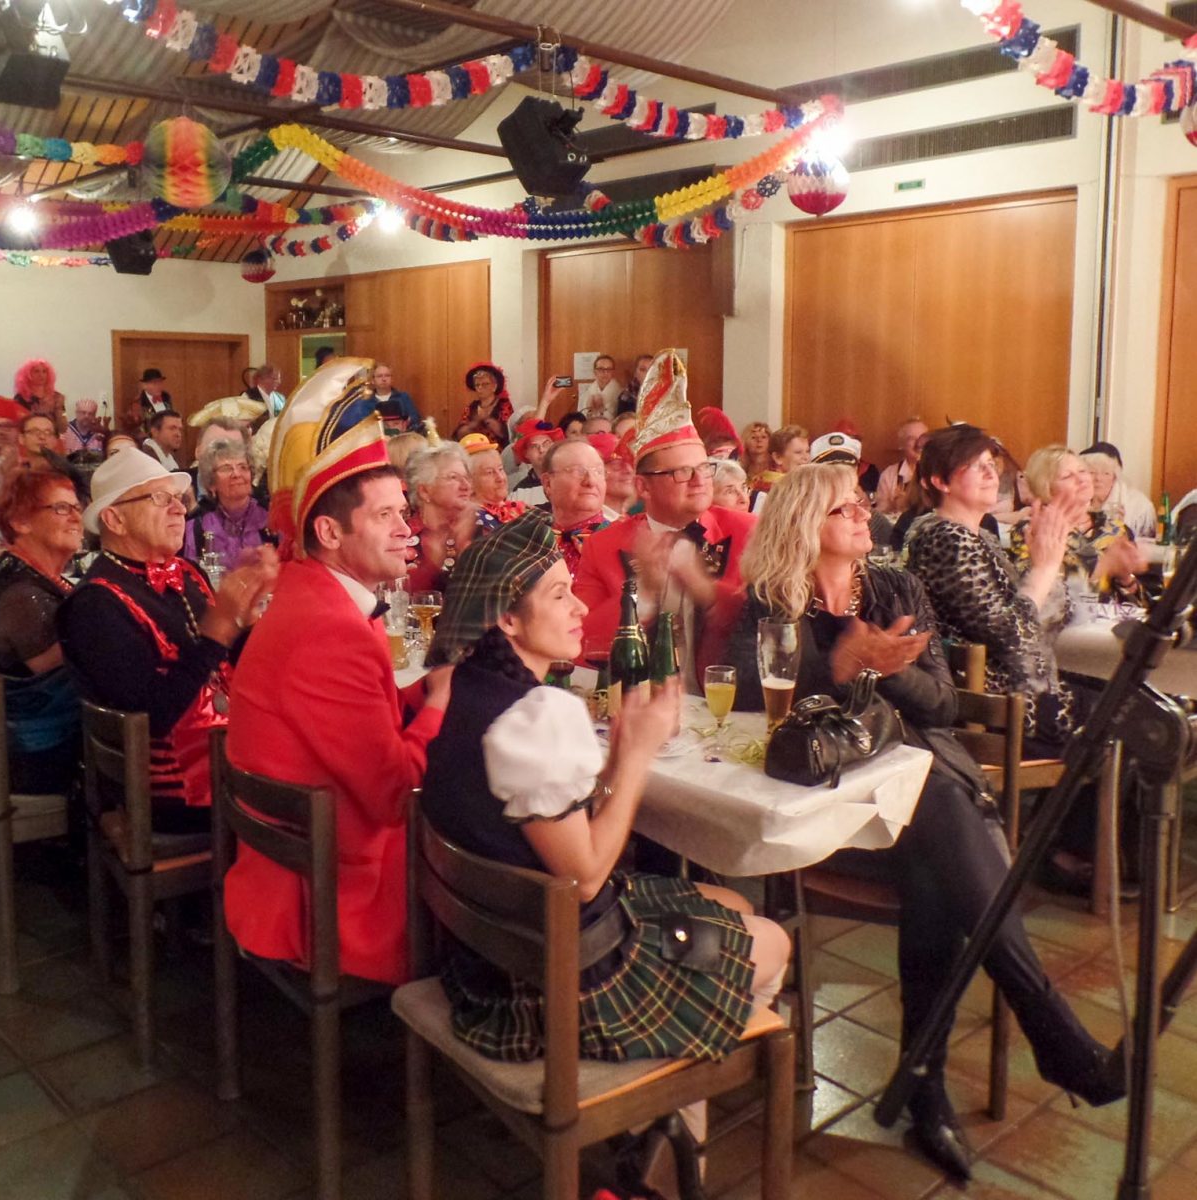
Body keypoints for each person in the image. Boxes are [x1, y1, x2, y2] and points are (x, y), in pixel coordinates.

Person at [730, 464, 1125, 1180]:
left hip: (919, 799)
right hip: (826, 812)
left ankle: (932, 1085)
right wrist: (839, 666)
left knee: (935, 847)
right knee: (941, 824)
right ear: (802, 523)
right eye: (845, 507)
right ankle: (1027, 1039)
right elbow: (759, 712)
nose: (863, 514)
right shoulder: (766, 603)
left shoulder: (896, 590)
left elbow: (942, 705)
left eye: (862, 503)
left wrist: (881, 670)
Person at [420, 509, 788, 1193]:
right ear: (507, 620)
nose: (579, 606)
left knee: (730, 902)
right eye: (558, 594)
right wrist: (640, 756)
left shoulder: (472, 689)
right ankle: (660, 1151)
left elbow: (553, 834)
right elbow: (587, 876)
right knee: (773, 941)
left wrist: (617, 757)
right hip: (554, 985)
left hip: (488, 961)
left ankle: (659, 1127)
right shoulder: (537, 716)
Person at [224, 358, 451, 984]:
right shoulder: (330, 629)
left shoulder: (311, 593)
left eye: (404, 511)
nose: (407, 530)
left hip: (305, 852)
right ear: (328, 531)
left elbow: (360, 705)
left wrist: (424, 690)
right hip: (329, 893)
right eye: (385, 516)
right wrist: (441, 705)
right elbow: (392, 794)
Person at [903, 425, 1138, 892]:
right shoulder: (944, 538)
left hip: (1016, 689)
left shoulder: (978, 537)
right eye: (976, 466)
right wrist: (1046, 565)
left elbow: (1041, 622)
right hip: (993, 706)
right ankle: (1068, 853)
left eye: (993, 465)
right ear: (939, 481)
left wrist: (1048, 558)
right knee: (1130, 719)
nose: (992, 474)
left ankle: (1057, 844)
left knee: (1125, 700)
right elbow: (1011, 632)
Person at [56, 451, 274, 828]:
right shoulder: (96, 603)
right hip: (175, 789)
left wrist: (247, 615)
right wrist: (218, 631)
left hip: (228, 752)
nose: (179, 509)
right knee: (329, 792)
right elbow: (152, 715)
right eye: (160, 498)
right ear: (114, 519)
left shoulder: (187, 572)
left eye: (178, 498)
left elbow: (226, 664)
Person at [574, 350, 755, 690]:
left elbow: (762, 629)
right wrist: (643, 594)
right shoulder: (603, 546)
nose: (700, 480)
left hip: (726, 703)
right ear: (643, 486)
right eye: (682, 472)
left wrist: (702, 586)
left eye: (704, 468)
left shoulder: (746, 531)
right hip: (639, 702)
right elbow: (582, 644)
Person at [0, 470, 84, 794]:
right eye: (61, 508)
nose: (76, 517)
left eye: (77, 507)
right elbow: (78, 666)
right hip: (28, 759)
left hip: (22, 745)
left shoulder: (21, 573)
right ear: (20, 522)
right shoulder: (22, 595)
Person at [1010, 446, 1144, 599]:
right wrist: (1104, 567)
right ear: (1045, 487)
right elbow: (1040, 599)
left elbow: (1139, 606)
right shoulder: (1033, 531)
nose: (1081, 479)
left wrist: (1126, 578)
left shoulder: (1115, 529)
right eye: (1067, 476)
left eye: (1083, 471)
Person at [405, 443, 480, 592]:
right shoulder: (402, 538)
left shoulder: (483, 527)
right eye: (453, 477)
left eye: (466, 478)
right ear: (424, 491)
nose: (466, 486)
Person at [182, 437, 270, 563]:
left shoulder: (271, 520)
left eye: (243, 467)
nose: (237, 474)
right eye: (226, 468)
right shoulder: (197, 528)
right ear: (211, 483)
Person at [540, 438, 612, 578]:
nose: (591, 481)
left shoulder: (623, 544)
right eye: (578, 471)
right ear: (548, 483)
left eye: (598, 471)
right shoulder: (527, 539)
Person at [1081, 444, 1157, 540]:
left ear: (1115, 477)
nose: (1098, 478)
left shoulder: (1139, 505)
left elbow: (1149, 542)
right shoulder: (1075, 498)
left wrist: (1121, 528)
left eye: (1106, 473)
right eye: (1092, 472)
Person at [874, 416, 929, 516]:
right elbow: (880, 513)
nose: (919, 443)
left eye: (923, 437)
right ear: (901, 445)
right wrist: (894, 505)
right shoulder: (889, 475)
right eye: (911, 439)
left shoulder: (939, 472)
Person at [749, 423, 809, 510]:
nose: (806, 457)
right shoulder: (773, 489)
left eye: (807, 451)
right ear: (777, 457)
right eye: (798, 452)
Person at [508, 420, 560, 505]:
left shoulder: (570, 477)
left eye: (546, 443)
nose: (541, 450)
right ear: (526, 454)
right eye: (534, 446)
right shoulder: (519, 494)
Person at [13, 359, 66, 429]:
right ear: (28, 374)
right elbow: (18, 423)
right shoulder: (21, 397)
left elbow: (63, 424)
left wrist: (61, 413)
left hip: (50, 433)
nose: (41, 375)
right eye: (36, 371)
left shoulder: (57, 398)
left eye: (44, 371)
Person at [370, 362, 422, 432]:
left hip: (401, 435)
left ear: (392, 379)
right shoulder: (366, 401)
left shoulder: (403, 397)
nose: (384, 379)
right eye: (379, 376)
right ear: (373, 380)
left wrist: (403, 423)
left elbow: (415, 419)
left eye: (387, 375)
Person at [462, 362, 514, 429]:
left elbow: (511, 431)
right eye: (477, 385)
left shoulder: (504, 405)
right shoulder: (471, 408)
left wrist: (496, 426)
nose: (480, 387)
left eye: (485, 384)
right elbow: (460, 431)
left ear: (494, 386)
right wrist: (470, 426)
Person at [578, 354, 622, 420]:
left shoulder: (621, 394)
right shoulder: (586, 393)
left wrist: (602, 409)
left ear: (613, 372)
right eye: (601, 369)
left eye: (609, 369)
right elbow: (579, 419)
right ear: (594, 371)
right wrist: (589, 411)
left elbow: (621, 421)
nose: (605, 372)